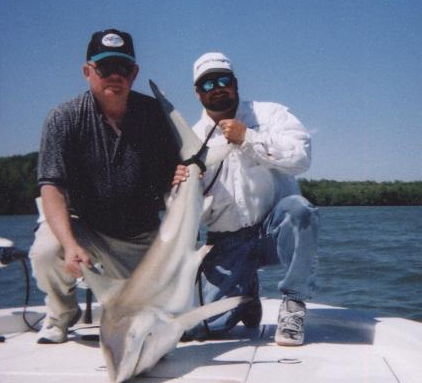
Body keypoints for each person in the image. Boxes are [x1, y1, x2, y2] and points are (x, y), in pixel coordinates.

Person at [30, 29, 178, 344]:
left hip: (142, 238)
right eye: (105, 67)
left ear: (134, 73)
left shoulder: (156, 115)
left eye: (123, 68)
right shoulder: (64, 118)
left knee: (152, 324)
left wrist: (183, 180)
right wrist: (70, 245)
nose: (115, 75)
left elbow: (172, 180)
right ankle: (59, 316)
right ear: (87, 72)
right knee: (46, 251)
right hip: (87, 228)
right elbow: (51, 186)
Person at [175, 52, 319, 346]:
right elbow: (194, 216)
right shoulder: (190, 140)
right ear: (197, 92)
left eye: (223, 79)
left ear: (235, 82)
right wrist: (182, 188)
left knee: (300, 211)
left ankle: (293, 304)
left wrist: (249, 139)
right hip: (228, 239)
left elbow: (302, 157)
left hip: (273, 229)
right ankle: (246, 294)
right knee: (202, 327)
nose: (217, 87)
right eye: (207, 84)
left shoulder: (270, 115)